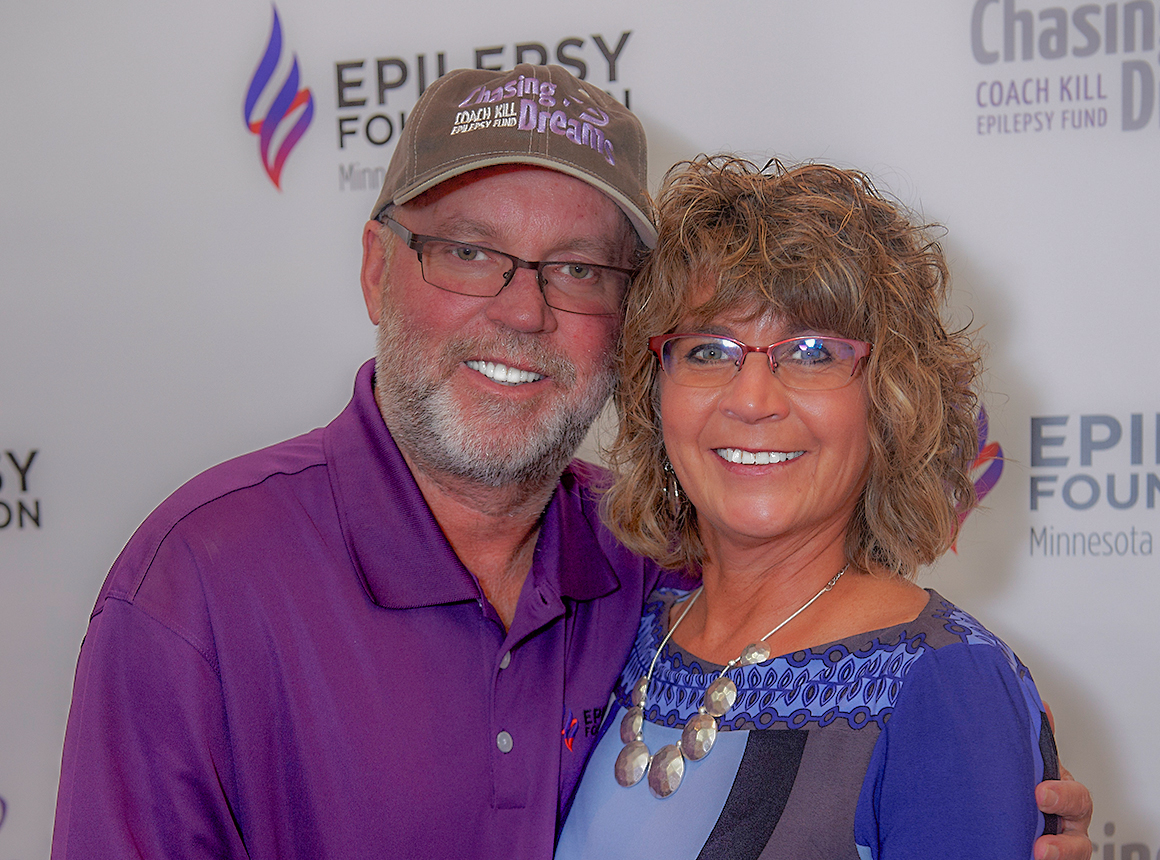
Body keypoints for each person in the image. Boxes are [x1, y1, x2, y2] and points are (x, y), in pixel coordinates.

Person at [50, 65, 1091, 860]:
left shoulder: (652, 564)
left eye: (579, 268)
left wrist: (978, 786)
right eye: (467, 250)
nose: (521, 306)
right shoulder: (198, 583)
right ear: (377, 269)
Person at [557, 156, 1082, 859]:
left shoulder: (946, 689)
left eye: (811, 352)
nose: (751, 400)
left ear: (888, 398)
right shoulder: (621, 634)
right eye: (709, 349)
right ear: (655, 394)